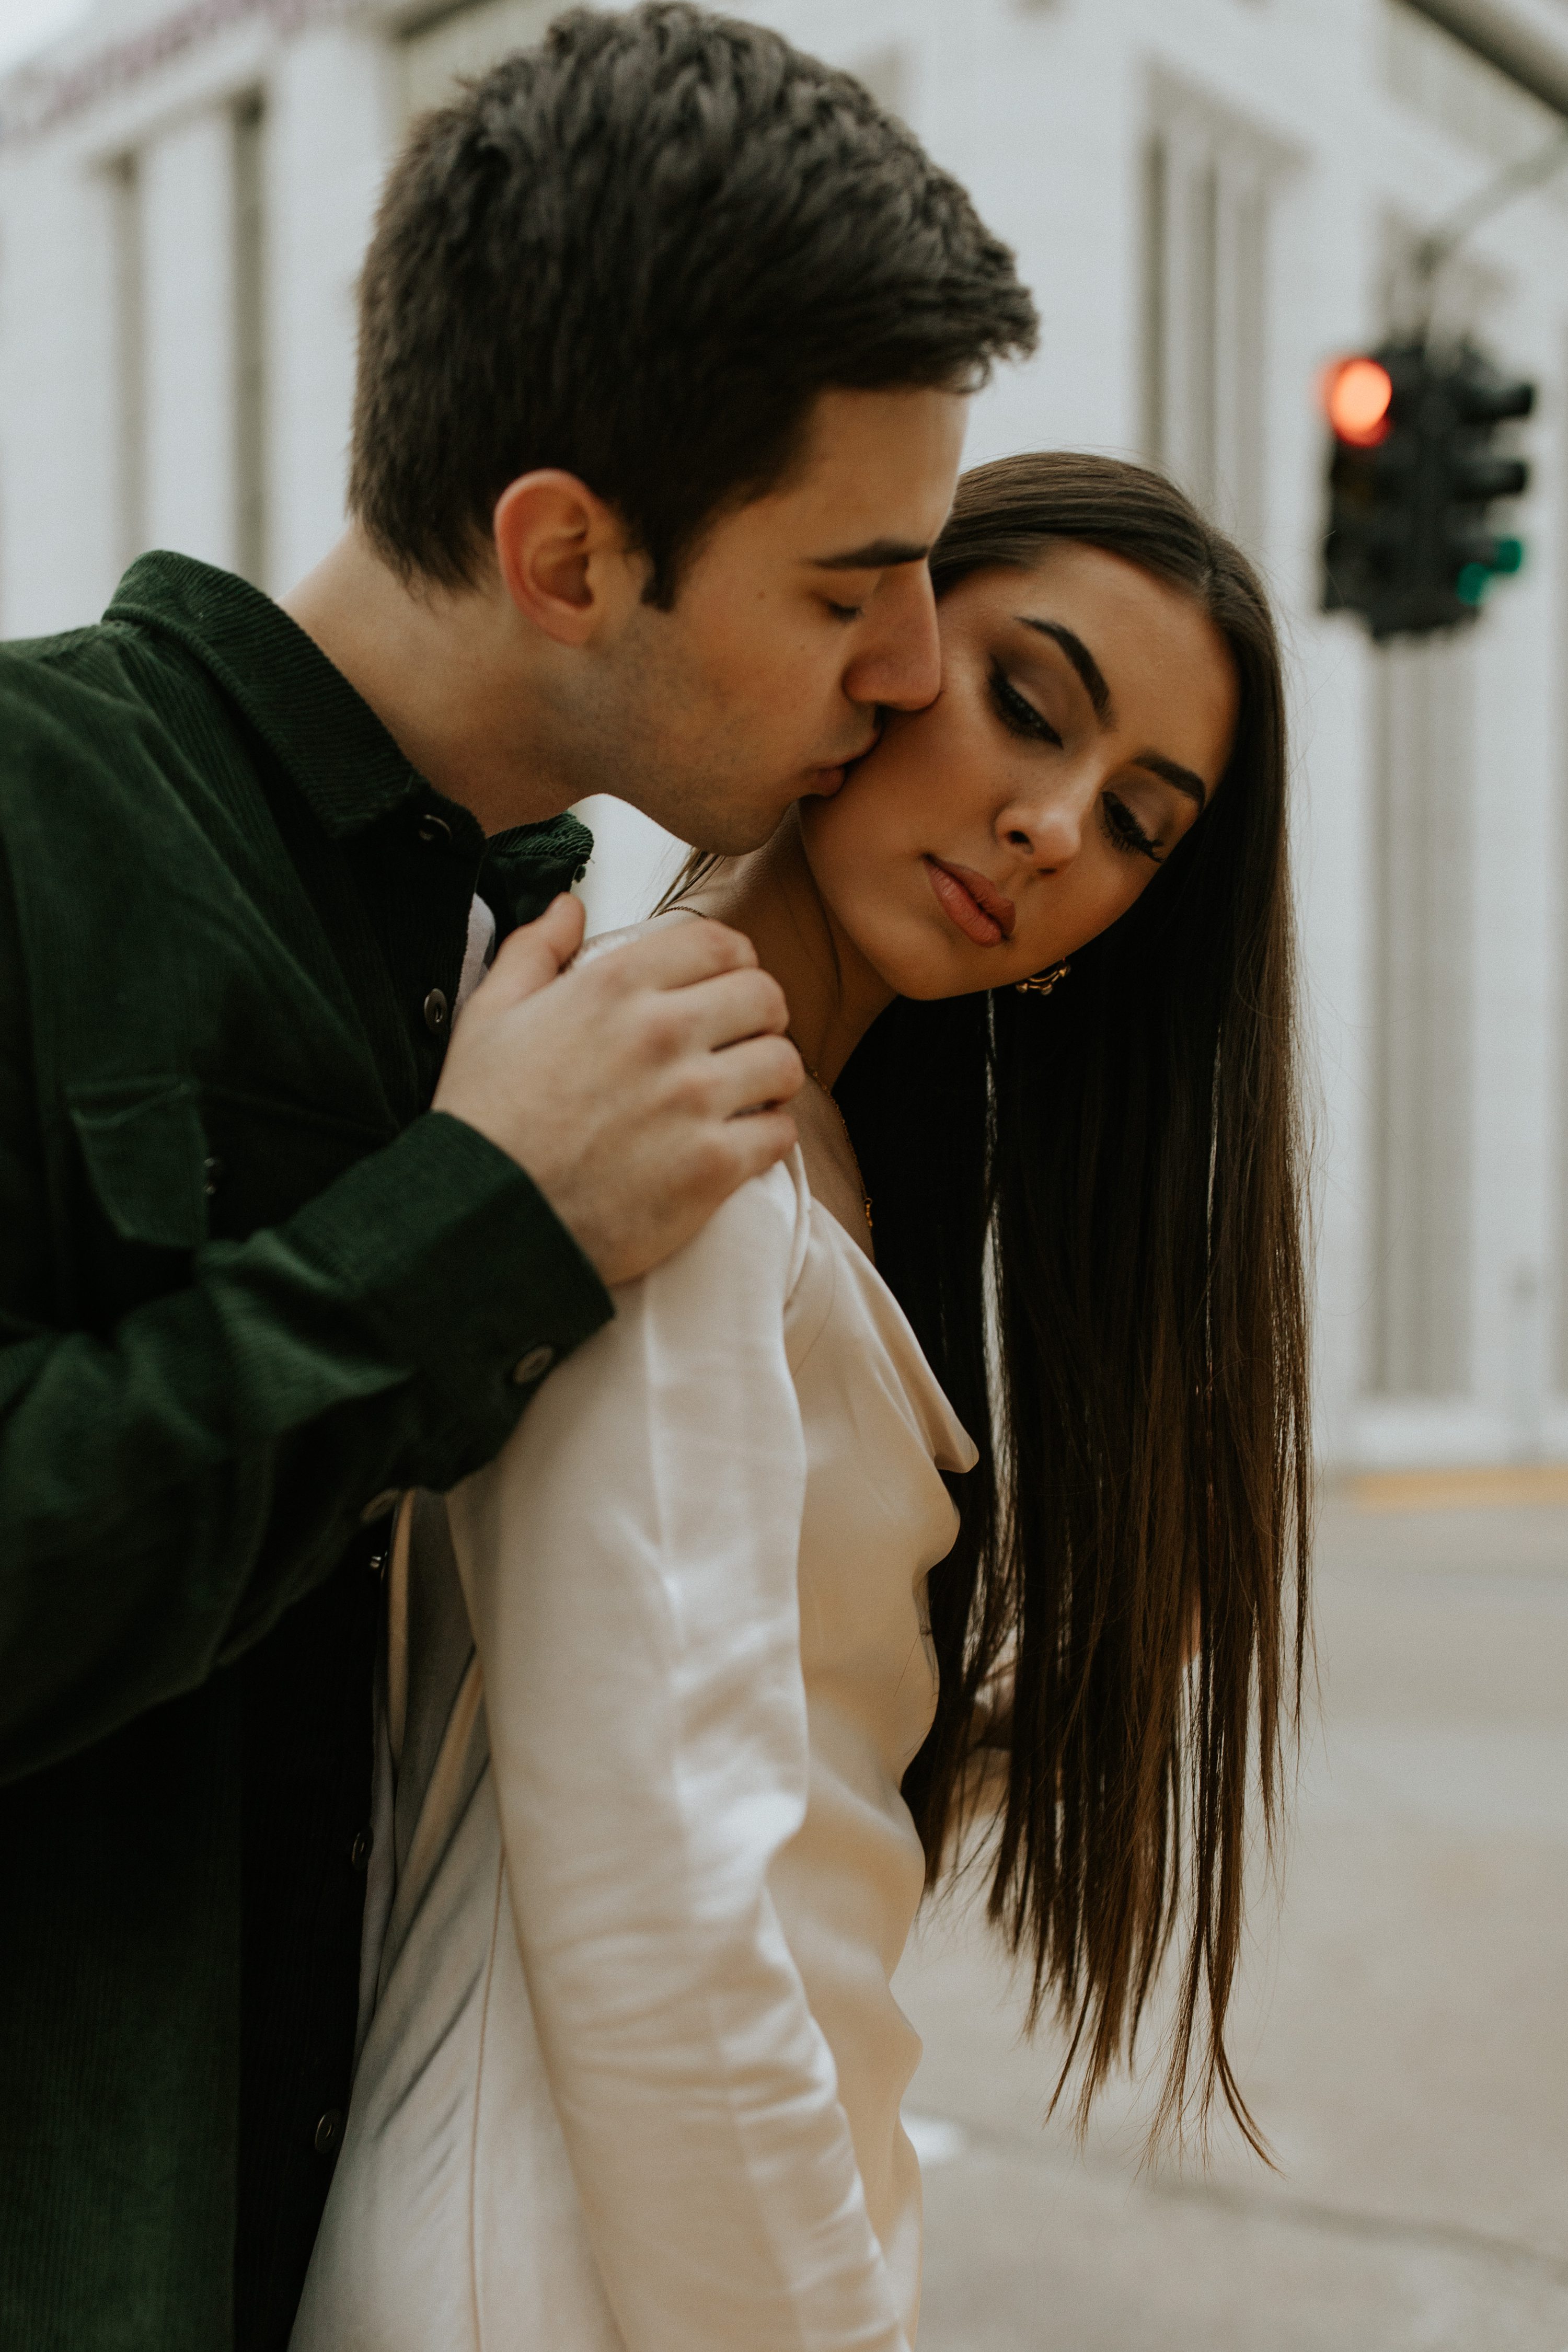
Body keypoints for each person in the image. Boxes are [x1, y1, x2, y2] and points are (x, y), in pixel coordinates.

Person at [0, 11, 1035, 2347]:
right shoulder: (35, 817)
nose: (907, 666)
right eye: (850, 580)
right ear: (568, 548)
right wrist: (473, 1226)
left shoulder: (553, 946)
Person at [290, 452, 1312, 2350]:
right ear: (887, 643)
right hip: (577, 2265)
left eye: (1139, 825)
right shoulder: (673, 1123)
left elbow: (695, 1722)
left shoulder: (803, 1145)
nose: (1053, 829)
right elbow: (659, 1912)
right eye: (1030, 704)